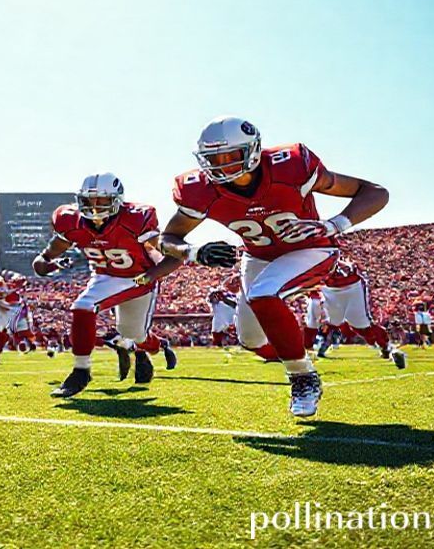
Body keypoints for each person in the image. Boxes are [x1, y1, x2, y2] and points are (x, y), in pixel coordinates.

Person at [160, 116, 388, 417]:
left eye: (229, 157)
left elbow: (375, 191)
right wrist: (193, 252)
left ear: (253, 151)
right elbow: (167, 238)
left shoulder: (291, 166)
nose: (220, 167)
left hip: (311, 249)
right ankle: (293, 351)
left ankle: (302, 376)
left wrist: (333, 225)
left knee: (264, 293)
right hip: (258, 256)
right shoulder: (199, 189)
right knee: (252, 338)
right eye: (213, 159)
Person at [33, 173, 181, 397]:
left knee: (136, 334)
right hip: (105, 276)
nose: (94, 207)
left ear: (117, 199)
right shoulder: (70, 220)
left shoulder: (137, 218)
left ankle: (158, 346)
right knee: (83, 307)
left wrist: (151, 275)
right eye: (89, 201)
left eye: (101, 201)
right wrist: (52, 265)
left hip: (138, 276)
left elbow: (166, 257)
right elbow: (43, 260)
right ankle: (81, 371)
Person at [321, 259, 406, 368]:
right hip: (348, 284)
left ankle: (320, 347)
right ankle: (387, 348)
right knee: (361, 326)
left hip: (333, 285)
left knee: (334, 322)